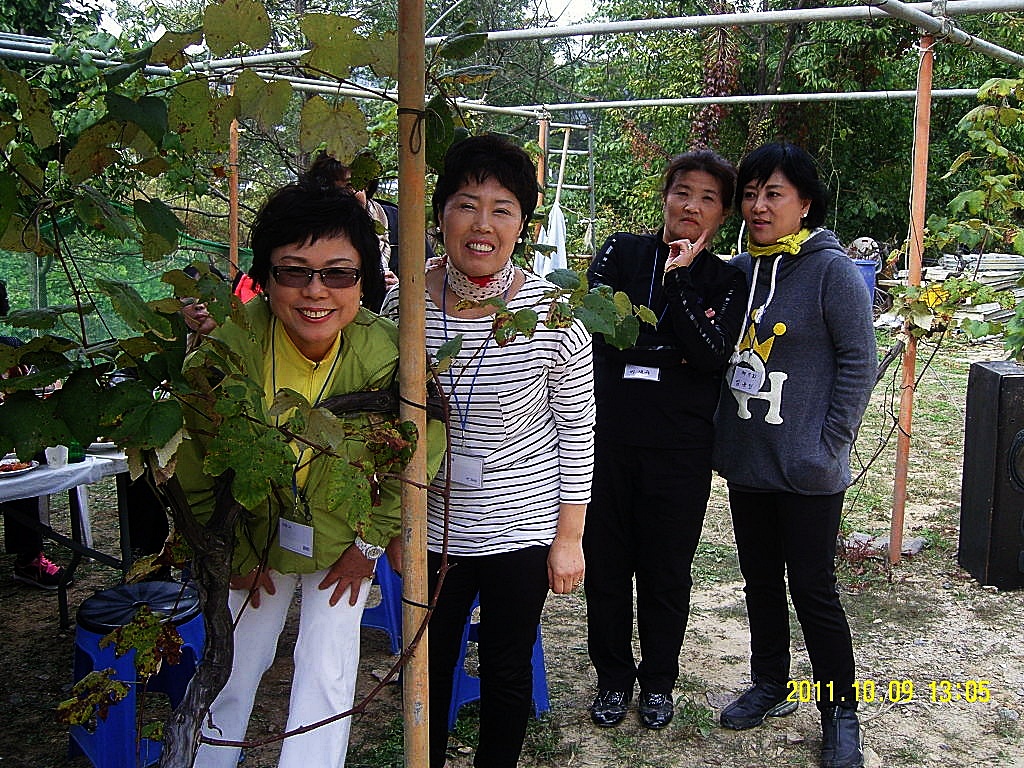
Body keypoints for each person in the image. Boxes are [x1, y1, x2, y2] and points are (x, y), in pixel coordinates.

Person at [177, 179, 441, 768]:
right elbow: (193, 456)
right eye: (293, 271)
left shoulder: (391, 355)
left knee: (327, 670)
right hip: (251, 535)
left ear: (364, 280)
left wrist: (369, 544)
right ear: (265, 277)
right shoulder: (227, 350)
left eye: (338, 273)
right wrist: (227, 552)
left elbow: (421, 447)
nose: (315, 291)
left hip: (344, 535)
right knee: (233, 666)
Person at [380, 133, 595, 768]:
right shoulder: (402, 303)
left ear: (522, 224)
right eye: (467, 204)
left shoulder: (553, 314)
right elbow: (384, 427)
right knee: (427, 664)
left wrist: (569, 540)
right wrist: (391, 525)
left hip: (520, 529)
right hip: (430, 528)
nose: (483, 225)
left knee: (506, 668)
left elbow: (577, 436)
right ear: (439, 212)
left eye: (502, 209)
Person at [713, 142, 875, 768]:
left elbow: (858, 362)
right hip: (750, 459)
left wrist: (831, 444)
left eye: (773, 194)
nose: (759, 206)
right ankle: (770, 682)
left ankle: (840, 709)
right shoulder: (740, 270)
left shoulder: (832, 272)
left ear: (804, 203)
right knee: (759, 579)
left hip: (808, 467)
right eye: (751, 194)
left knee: (812, 587)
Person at [582, 150, 746, 730]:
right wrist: (668, 349)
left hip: (680, 450)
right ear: (665, 197)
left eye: (707, 198)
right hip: (607, 442)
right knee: (606, 570)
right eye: (683, 192)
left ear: (723, 213)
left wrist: (679, 281)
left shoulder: (726, 278)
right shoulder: (621, 252)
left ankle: (657, 682)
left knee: (666, 573)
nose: (691, 206)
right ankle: (611, 678)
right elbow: (597, 329)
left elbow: (709, 354)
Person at [0, 280, 67, 589]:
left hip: (10, 439)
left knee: (25, 460)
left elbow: (37, 390)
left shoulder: (11, 349)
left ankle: (29, 559)